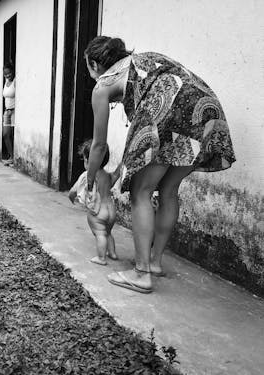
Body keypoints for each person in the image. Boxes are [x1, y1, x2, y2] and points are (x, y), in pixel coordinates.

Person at [83, 36, 236, 293]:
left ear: (95, 64)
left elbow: (98, 145)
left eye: (88, 67)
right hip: (206, 108)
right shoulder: (144, 60)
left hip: (170, 107)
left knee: (141, 192)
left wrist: (90, 180)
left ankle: (141, 274)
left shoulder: (103, 84)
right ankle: (154, 263)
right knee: (168, 190)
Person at [69, 140, 122, 265]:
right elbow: (115, 176)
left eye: (84, 159)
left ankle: (101, 258)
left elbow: (73, 191)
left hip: (98, 212)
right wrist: (121, 165)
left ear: (88, 160)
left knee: (100, 234)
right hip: (111, 210)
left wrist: (72, 199)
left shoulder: (87, 175)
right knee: (108, 232)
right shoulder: (106, 175)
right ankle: (112, 253)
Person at [1, 63, 16, 165]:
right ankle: (11, 156)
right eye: (5, 74)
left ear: (13, 72)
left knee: (13, 134)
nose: (7, 76)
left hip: (15, 111)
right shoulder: (6, 82)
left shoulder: (15, 81)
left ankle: (14, 158)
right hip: (7, 111)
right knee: (6, 134)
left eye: (9, 73)